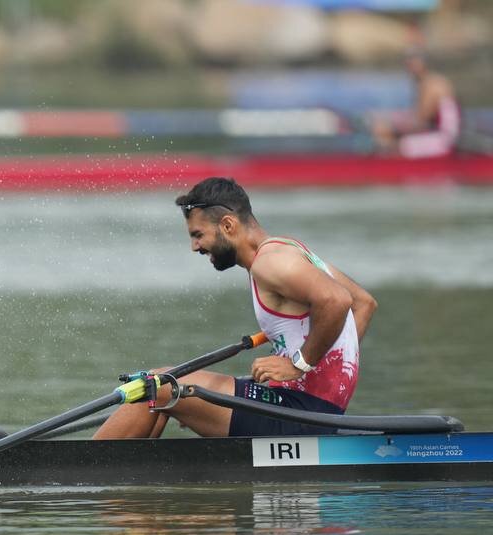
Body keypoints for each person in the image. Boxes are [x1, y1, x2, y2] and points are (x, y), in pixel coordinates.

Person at [94, 177, 377, 440]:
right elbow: (363, 303)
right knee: (169, 390)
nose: (195, 247)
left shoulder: (272, 263)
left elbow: (337, 301)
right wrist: (326, 373)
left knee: (155, 387)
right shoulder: (289, 250)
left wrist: (299, 364)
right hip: (306, 409)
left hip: (297, 414)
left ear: (228, 225)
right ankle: (135, 479)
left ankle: (85, 470)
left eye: (198, 235)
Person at [373, 47, 461, 159]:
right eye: (408, 64)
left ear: (423, 64)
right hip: (441, 136)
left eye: (412, 63)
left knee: (396, 145)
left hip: (446, 141)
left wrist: (391, 128)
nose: (409, 68)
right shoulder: (426, 83)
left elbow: (421, 121)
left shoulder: (432, 85)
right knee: (390, 137)